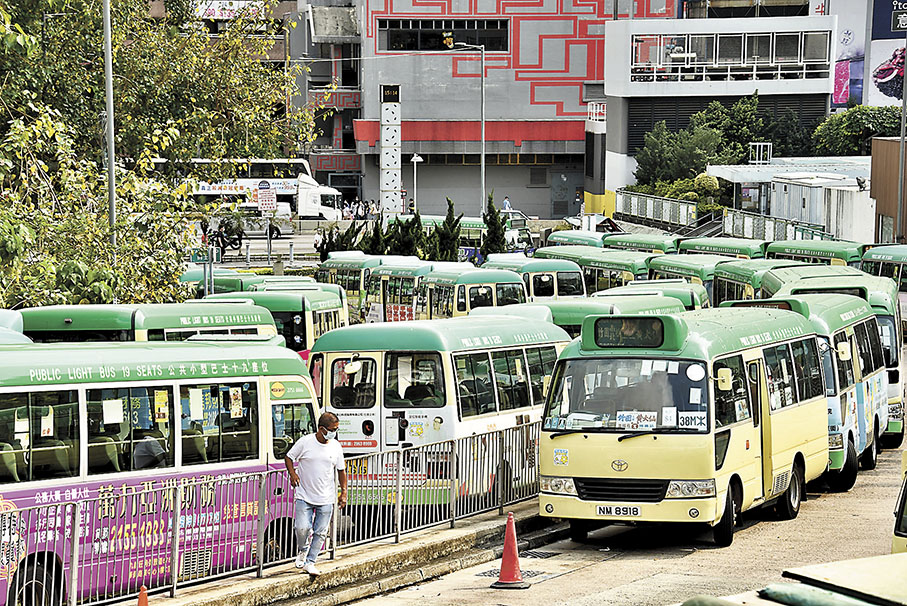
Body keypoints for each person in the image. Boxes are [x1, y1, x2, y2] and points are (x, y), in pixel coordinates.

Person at [284, 412, 347, 576]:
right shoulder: (305, 442)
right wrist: (293, 474)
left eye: (337, 429)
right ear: (321, 429)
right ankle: (303, 549)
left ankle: (310, 562)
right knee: (302, 528)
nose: (335, 433)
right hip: (304, 494)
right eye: (333, 429)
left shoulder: (335, 446)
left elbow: (341, 471)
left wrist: (343, 493)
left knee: (321, 532)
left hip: (326, 497)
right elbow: (289, 457)